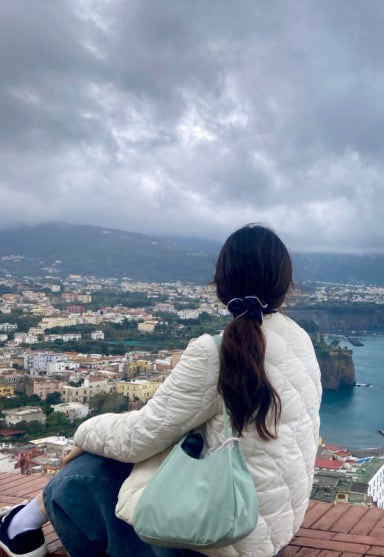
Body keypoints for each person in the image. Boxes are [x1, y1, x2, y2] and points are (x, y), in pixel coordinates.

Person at [0, 224, 323, 557]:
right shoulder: (299, 341)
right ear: (286, 285)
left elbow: (138, 437)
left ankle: (21, 523)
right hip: (271, 530)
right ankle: (22, 519)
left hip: (221, 535)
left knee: (79, 476)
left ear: (220, 284)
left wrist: (84, 434)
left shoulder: (216, 352)